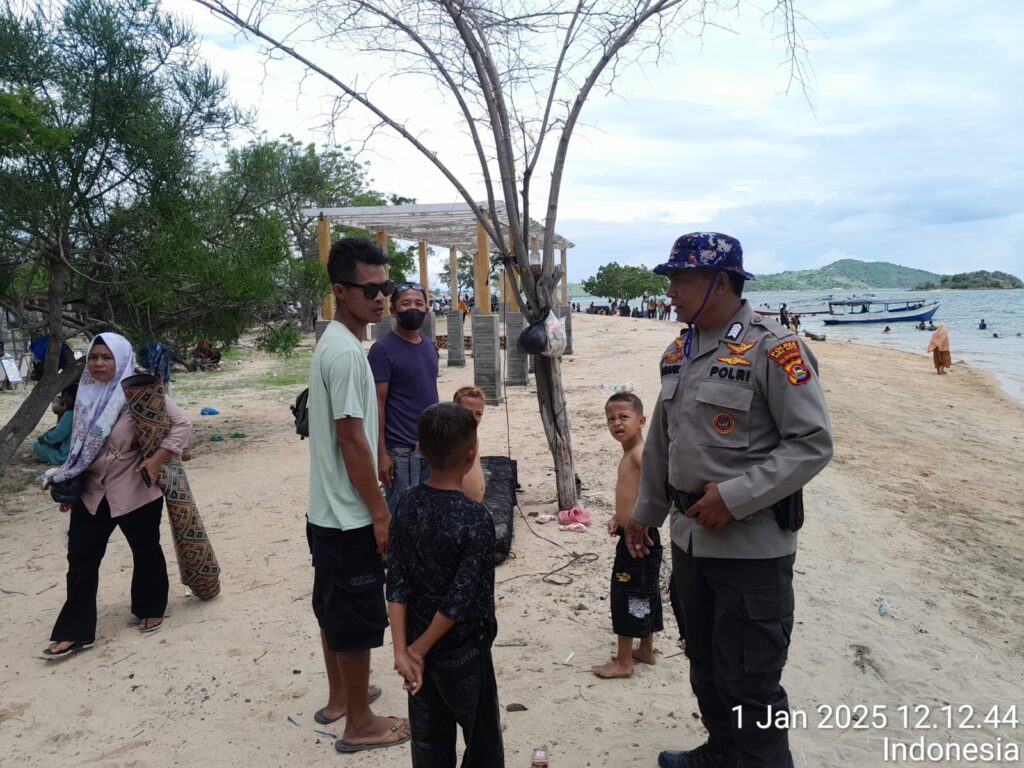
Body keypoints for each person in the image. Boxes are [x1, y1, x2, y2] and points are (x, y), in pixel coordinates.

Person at [625, 232, 833, 768]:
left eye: (680, 278)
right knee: (705, 665)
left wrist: (735, 498)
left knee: (752, 683)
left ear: (720, 281)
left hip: (751, 550)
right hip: (691, 540)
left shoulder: (775, 347)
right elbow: (662, 441)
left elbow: (812, 443)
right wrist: (642, 515)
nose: (669, 290)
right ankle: (721, 752)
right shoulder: (680, 349)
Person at [306, 237, 410, 753]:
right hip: (348, 516)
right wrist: (379, 512)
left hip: (324, 511)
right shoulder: (347, 354)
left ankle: (341, 696)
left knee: (332, 610)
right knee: (353, 618)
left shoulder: (335, 342)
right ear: (340, 291)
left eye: (385, 288)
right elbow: (351, 438)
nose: (380, 298)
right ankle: (361, 724)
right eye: (369, 289)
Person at [42, 334, 191, 658]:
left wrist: (155, 459)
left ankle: (150, 606)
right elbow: (79, 448)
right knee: (80, 560)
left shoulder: (141, 393)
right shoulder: (84, 395)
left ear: (121, 359)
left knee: (145, 550)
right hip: (93, 491)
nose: (98, 363)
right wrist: (70, 482)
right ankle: (74, 631)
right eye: (94, 357)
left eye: (106, 357)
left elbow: (181, 425)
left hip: (135, 486)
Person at [387, 402, 504, 767]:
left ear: (419, 450)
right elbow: (460, 598)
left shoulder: (405, 506)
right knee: (481, 742)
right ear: (472, 454)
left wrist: (403, 651)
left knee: (429, 744)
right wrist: (416, 651)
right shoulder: (475, 519)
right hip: (463, 651)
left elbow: (397, 583)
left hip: (417, 648)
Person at [592, 392, 663, 680]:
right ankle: (646, 649)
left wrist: (641, 520)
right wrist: (617, 518)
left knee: (627, 594)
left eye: (624, 417)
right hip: (632, 533)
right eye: (611, 418)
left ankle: (623, 661)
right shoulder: (629, 454)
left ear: (641, 420)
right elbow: (631, 494)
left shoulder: (639, 453)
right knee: (645, 591)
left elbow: (657, 486)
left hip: (638, 539)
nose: (616, 423)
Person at [369, 282, 440, 514]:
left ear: (427, 309)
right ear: (393, 310)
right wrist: (381, 453)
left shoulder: (430, 347)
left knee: (428, 514)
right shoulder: (382, 350)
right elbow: (377, 404)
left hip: (430, 447)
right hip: (401, 452)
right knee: (402, 517)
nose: (413, 308)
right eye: (406, 303)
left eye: (419, 303)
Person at [453, 386, 487, 503]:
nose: (472, 418)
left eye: (478, 414)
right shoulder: (453, 439)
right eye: (467, 412)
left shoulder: (473, 436)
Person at [32, 385, 77, 465]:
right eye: (64, 397)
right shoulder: (84, 412)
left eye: (69, 397)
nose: (65, 400)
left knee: (36, 445)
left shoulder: (70, 414)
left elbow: (58, 435)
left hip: (65, 456)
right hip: (79, 453)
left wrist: (45, 437)